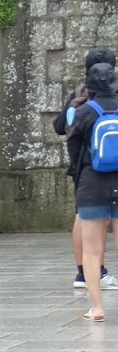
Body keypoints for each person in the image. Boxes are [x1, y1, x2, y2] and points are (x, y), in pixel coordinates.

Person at [55, 48, 118, 291]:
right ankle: (98, 273)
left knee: (84, 217)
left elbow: (60, 127)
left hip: (87, 170)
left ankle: (85, 272)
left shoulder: (79, 95)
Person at [67, 61, 118, 321]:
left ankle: (96, 308)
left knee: (92, 250)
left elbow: (73, 148)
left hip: (92, 184)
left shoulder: (86, 111)